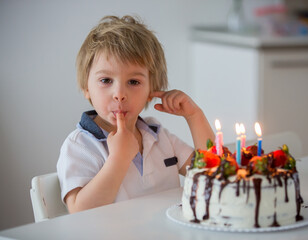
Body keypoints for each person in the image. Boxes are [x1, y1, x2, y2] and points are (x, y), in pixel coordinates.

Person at [57, 15, 214, 213]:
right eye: (106, 80)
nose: (120, 94)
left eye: (133, 82)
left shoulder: (158, 135)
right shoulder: (81, 145)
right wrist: (119, 159)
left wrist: (194, 117)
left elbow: (212, 175)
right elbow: (79, 211)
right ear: (85, 87)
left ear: (151, 91)